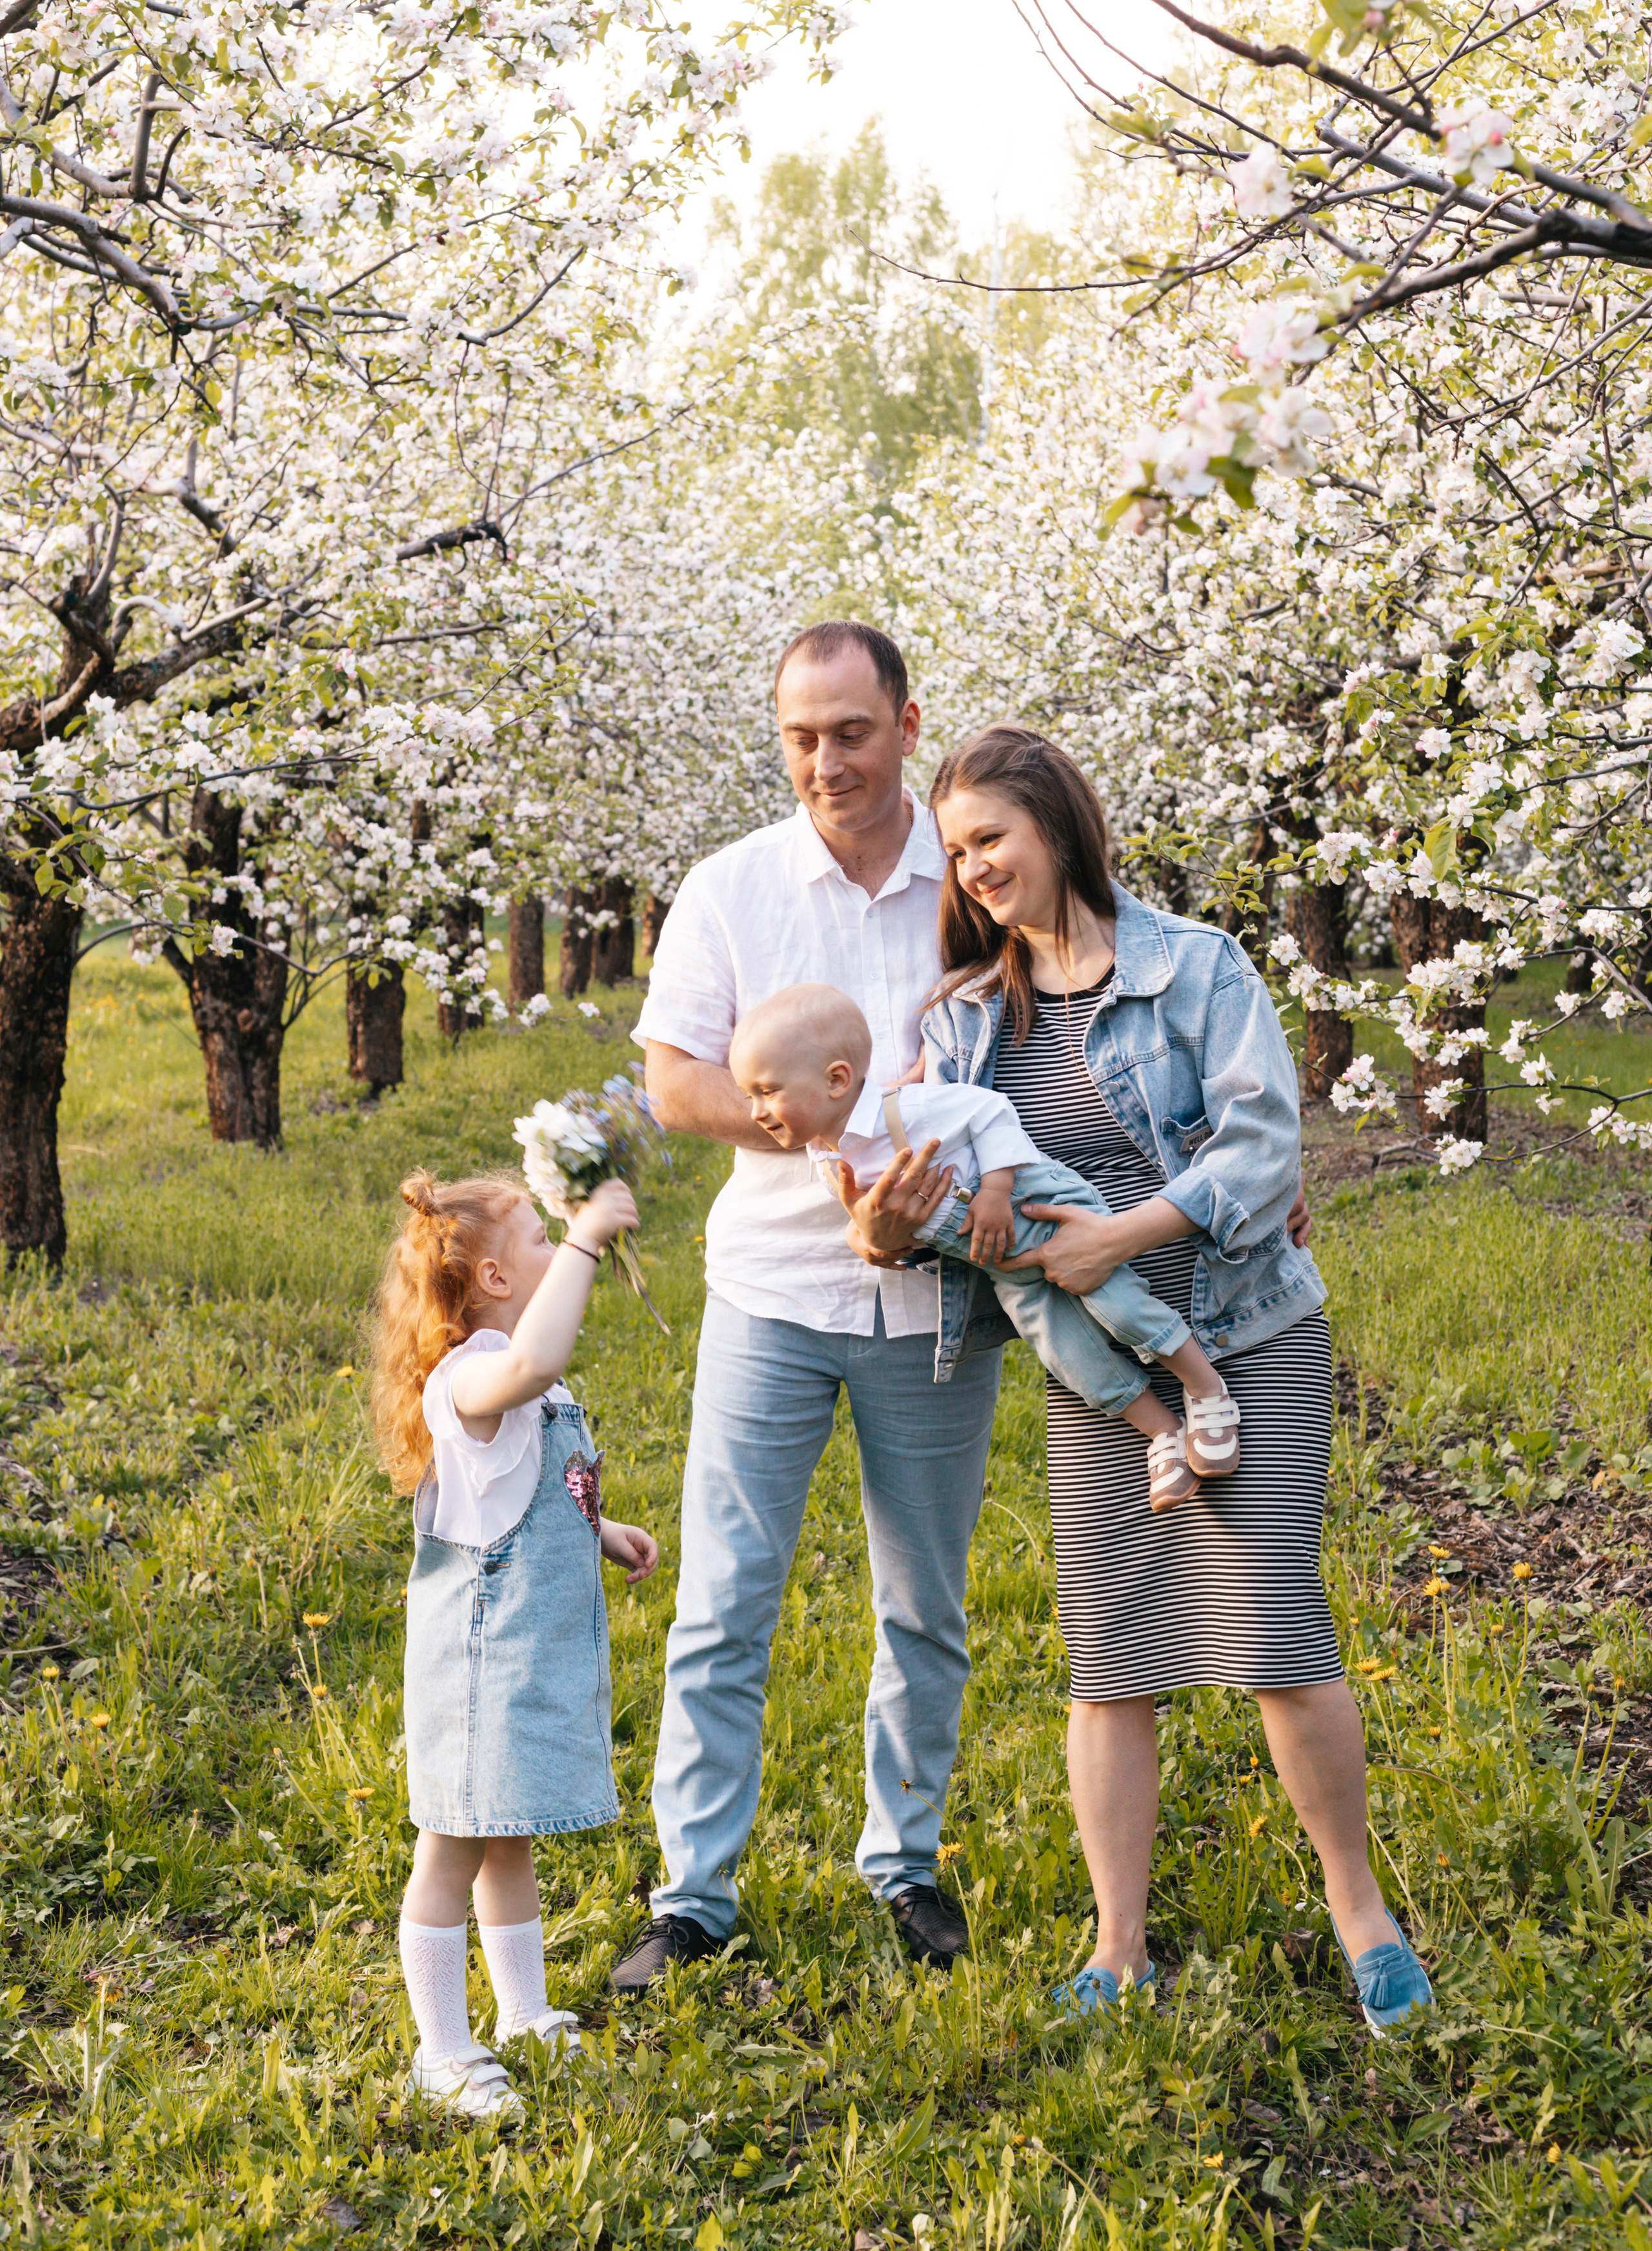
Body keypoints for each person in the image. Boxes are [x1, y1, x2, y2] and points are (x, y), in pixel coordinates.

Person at [842, 723, 1433, 2037]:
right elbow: (922, 1187)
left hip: (1249, 1330)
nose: (976, 869)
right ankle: (1116, 1946)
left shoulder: (1197, 968)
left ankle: (1359, 1912)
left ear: (1056, 826)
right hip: (1097, 1366)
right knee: (1108, 1663)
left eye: (991, 838)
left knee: (1276, 1633)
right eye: (956, 853)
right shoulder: (960, 1019)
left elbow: (1264, 1143)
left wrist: (1125, 1232)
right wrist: (898, 1218)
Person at [610, 620, 1017, 1993]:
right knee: (723, 1602)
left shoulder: (970, 879)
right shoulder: (730, 886)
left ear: (908, 726)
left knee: (924, 1602)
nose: (825, 761)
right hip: (772, 1295)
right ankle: (694, 1896)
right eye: (799, 736)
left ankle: (903, 1863)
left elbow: (1071, 1017)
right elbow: (673, 1085)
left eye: (851, 732)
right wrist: (836, 1154)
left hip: (939, 1301)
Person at [372, 1167, 660, 2114]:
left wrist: (601, 1531)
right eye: (539, 1241)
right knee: (453, 1844)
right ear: (493, 1281)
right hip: (478, 1667)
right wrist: (587, 1240)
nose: (554, 1250)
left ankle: (523, 2012)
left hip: (524, 1655)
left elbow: (522, 1490)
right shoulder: (475, 1378)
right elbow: (530, 1367)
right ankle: (441, 2051)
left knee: (509, 1840)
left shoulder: (527, 1379)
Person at [727, 981, 1241, 1509]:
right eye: (749, 1096)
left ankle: (1205, 1389)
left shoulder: (903, 1110)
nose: (753, 1112)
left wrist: (994, 1191)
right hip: (998, 1262)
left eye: (766, 1091)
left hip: (1034, 1207)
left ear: (837, 1080)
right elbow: (872, 1222)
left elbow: (988, 1111)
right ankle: (1163, 1435)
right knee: (1066, 1352)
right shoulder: (826, 1158)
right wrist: (864, 1235)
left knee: (1119, 1306)